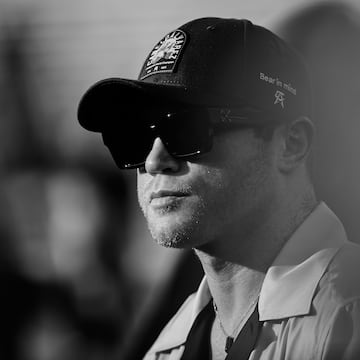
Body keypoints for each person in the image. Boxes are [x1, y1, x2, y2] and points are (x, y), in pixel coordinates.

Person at [77, 17, 360, 360]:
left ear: (291, 144)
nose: (153, 161)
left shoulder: (348, 315)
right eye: (134, 137)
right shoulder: (166, 349)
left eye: (185, 128)